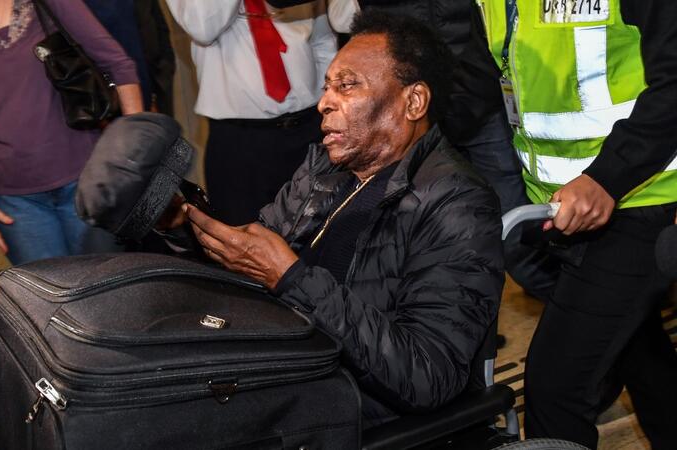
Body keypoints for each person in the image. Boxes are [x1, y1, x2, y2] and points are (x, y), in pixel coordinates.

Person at [177, 10, 505, 427]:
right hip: (290, 369)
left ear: (413, 102)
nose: (324, 103)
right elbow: (251, 261)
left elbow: (426, 375)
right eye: (327, 86)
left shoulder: (456, 202)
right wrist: (180, 227)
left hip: (351, 409)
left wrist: (293, 279)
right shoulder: (325, 170)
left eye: (347, 86)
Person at [478, 1, 677, 448]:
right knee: (635, 352)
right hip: (562, 209)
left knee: (556, 387)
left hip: (643, 197)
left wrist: (608, 176)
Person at [357, 0, 559, 304]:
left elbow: (491, 34)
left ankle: (588, 314)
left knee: (517, 242)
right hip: (409, 117)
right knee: (426, 244)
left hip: (483, 103)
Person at [0, 0, 144, 266]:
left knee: (105, 285)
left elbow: (119, 66)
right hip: (15, 204)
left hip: (87, 181)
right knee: (48, 292)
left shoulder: (48, 3)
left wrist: (135, 158)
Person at [164, 0, 359, 226]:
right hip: (240, 141)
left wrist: (332, 104)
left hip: (310, 126)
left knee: (325, 229)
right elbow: (202, 25)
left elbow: (323, 39)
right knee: (245, 234)